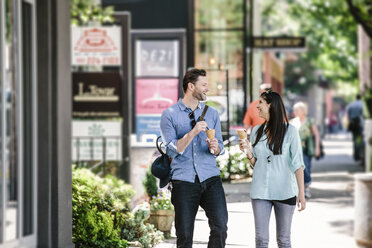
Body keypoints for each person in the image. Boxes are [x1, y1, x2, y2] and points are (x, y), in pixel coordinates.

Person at [160, 68, 228, 248]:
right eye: (204, 85)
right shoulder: (170, 115)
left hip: (210, 177)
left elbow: (220, 146)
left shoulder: (212, 113)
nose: (208, 88)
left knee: (220, 227)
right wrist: (193, 132)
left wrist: (215, 148)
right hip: (183, 180)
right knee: (184, 236)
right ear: (191, 86)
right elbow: (172, 150)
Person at [239, 90, 306, 248]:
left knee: (283, 240)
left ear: (271, 105)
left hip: (285, 191)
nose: (257, 106)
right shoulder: (256, 131)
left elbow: (298, 164)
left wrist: (301, 193)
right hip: (261, 191)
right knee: (261, 240)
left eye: (261, 102)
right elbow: (256, 163)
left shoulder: (290, 132)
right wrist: (248, 152)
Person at [290, 102, 321, 199]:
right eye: (294, 110)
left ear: (303, 111)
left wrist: (317, 147)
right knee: (296, 167)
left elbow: (316, 134)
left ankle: (307, 186)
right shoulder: (292, 122)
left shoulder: (310, 121)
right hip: (295, 148)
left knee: (306, 167)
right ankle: (300, 188)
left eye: (297, 110)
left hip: (307, 148)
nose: (295, 112)